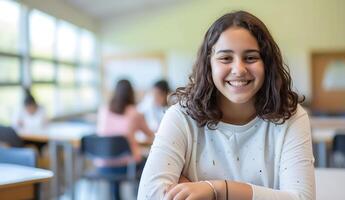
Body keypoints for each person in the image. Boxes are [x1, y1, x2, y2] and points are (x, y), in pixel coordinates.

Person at [138, 11, 315, 200]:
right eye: (225, 58)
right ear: (209, 64)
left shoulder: (291, 116)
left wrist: (216, 190)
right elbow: (149, 195)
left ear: (267, 64)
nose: (239, 69)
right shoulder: (180, 116)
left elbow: (302, 198)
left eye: (250, 57)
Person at [96, 79, 155, 200]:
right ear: (131, 93)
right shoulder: (135, 113)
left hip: (103, 166)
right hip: (127, 167)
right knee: (149, 163)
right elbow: (150, 135)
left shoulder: (103, 110)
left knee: (120, 160)